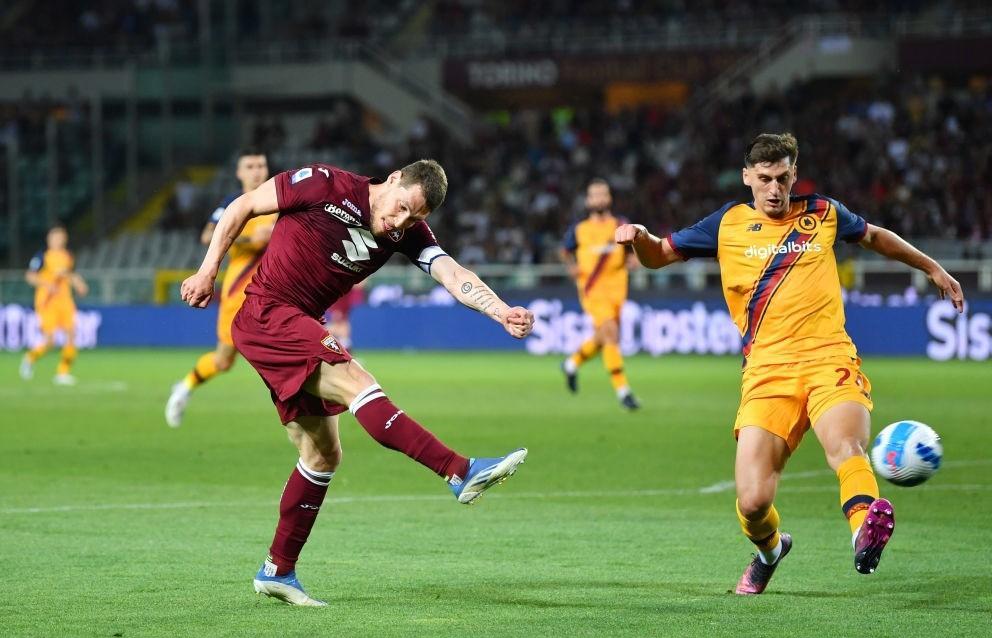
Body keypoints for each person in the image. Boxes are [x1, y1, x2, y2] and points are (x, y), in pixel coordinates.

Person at [615, 133, 964, 595]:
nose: (774, 189)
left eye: (782, 178)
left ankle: (864, 531)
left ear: (794, 174)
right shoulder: (727, 224)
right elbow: (658, 256)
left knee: (846, 447)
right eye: (764, 179)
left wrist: (931, 267)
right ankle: (770, 551)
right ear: (747, 178)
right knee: (754, 500)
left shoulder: (823, 213)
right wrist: (639, 237)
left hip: (829, 357)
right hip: (767, 372)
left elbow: (875, 237)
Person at [180, 159, 534, 606]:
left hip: (297, 323)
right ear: (391, 181)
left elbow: (453, 274)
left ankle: (278, 570)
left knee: (322, 454)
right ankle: (459, 471)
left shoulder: (406, 233)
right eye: (402, 207)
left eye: (415, 218)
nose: (400, 221)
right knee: (358, 382)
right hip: (268, 312)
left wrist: (499, 310)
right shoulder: (323, 184)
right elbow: (243, 207)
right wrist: (208, 269)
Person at [165, 149, 277, 427]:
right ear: (239, 173)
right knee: (224, 360)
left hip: (276, 290)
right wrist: (250, 238)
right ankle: (185, 386)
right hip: (239, 291)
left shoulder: (280, 198)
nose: (256, 171)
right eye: (249, 166)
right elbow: (207, 235)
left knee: (286, 347)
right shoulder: (233, 203)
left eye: (260, 165)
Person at [558, 179, 640, 410]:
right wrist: (571, 266)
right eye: (595, 195)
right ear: (588, 200)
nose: (599, 199)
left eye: (603, 194)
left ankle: (571, 364)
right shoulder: (579, 229)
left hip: (617, 289)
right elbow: (564, 252)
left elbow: (633, 249)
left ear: (609, 198)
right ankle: (624, 392)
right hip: (592, 290)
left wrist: (635, 259)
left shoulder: (620, 224)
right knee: (611, 334)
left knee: (604, 336)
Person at [20, 224, 88, 385]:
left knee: (71, 334)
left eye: (60, 237)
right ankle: (30, 358)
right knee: (50, 340)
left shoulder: (68, 256)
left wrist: (78, 282)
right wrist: (46, 284)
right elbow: (30, 276)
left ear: (64, 239)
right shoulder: (42, 256)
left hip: (65, 300)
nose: (58, 240)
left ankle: (63, 373)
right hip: (47, 301)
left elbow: (68, 274)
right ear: (49, 239)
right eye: (55, 237)